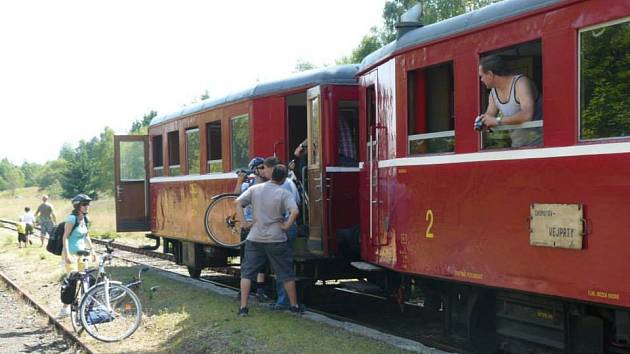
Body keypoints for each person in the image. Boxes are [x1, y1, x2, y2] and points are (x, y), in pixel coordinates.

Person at [235, 164, 301, 317]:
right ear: (284, 178)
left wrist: (244, 223)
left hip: (255, 237)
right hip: (276, 237)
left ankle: (243, 308)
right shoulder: (284, 193)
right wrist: (286, 226)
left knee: (247, 273)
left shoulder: (255, 189)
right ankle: (294, 306)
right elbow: (295, 211)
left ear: (271, 175)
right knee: (285, 273)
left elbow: (238, 203)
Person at [476, 55, 543, 147]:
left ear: (490, 74)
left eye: (482, 76)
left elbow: (527, 115)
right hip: (517, 145)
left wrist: (496, 121)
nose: (481, 80)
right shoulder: (493, 93)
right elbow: (490, 115)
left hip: (540, 145)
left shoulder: (521, 83)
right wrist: (482, 121)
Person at [234, 156, 268, 300]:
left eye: (264, 167)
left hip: (261, 226)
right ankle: (243, 291)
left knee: (262, 258)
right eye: (261, 167)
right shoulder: (247, 186)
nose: (264, 170)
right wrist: (240, 180)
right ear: (255, 170)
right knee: (245, 259)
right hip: (247, 225)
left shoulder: (269, 185)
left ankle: (260, 289)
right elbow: (235, 197)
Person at [58, 194, 97, 318]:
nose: (87, 206)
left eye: (88, 204)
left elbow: (86, 236)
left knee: (85, 280)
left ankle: (82, 305)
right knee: (73, 280)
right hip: (71, 254)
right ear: (77, 206)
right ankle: (65, 307)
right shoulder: (72, 219)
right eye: (84, 204)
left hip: (82, 254)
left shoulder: (84, 219)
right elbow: (65, 237)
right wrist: (67, 254)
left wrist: (93, 251)